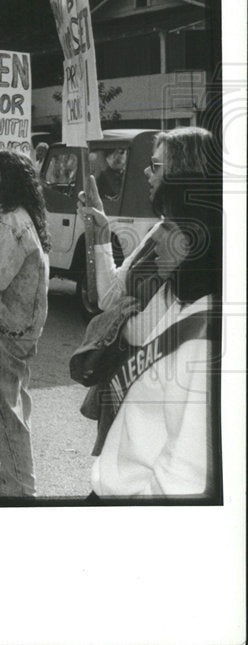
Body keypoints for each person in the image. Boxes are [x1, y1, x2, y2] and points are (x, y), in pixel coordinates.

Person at [89, 172, 220, 496]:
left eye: (170, 224)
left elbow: (184, 480)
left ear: (202, 240)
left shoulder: (206, 341)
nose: (156, 234)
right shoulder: (184, 302)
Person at [0, 151, 51, 498]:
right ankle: (12, 480)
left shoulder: (5, 220)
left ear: (9, 179)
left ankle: (18, 486)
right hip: (18, 326)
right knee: (14, 407)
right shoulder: (23, 214)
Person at [79, 126, 217, 312]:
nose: (146, 171)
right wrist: (101, 231)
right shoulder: (158, 229)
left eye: (156, 166)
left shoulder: (197, 247)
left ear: (182, 174)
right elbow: (110, 297)